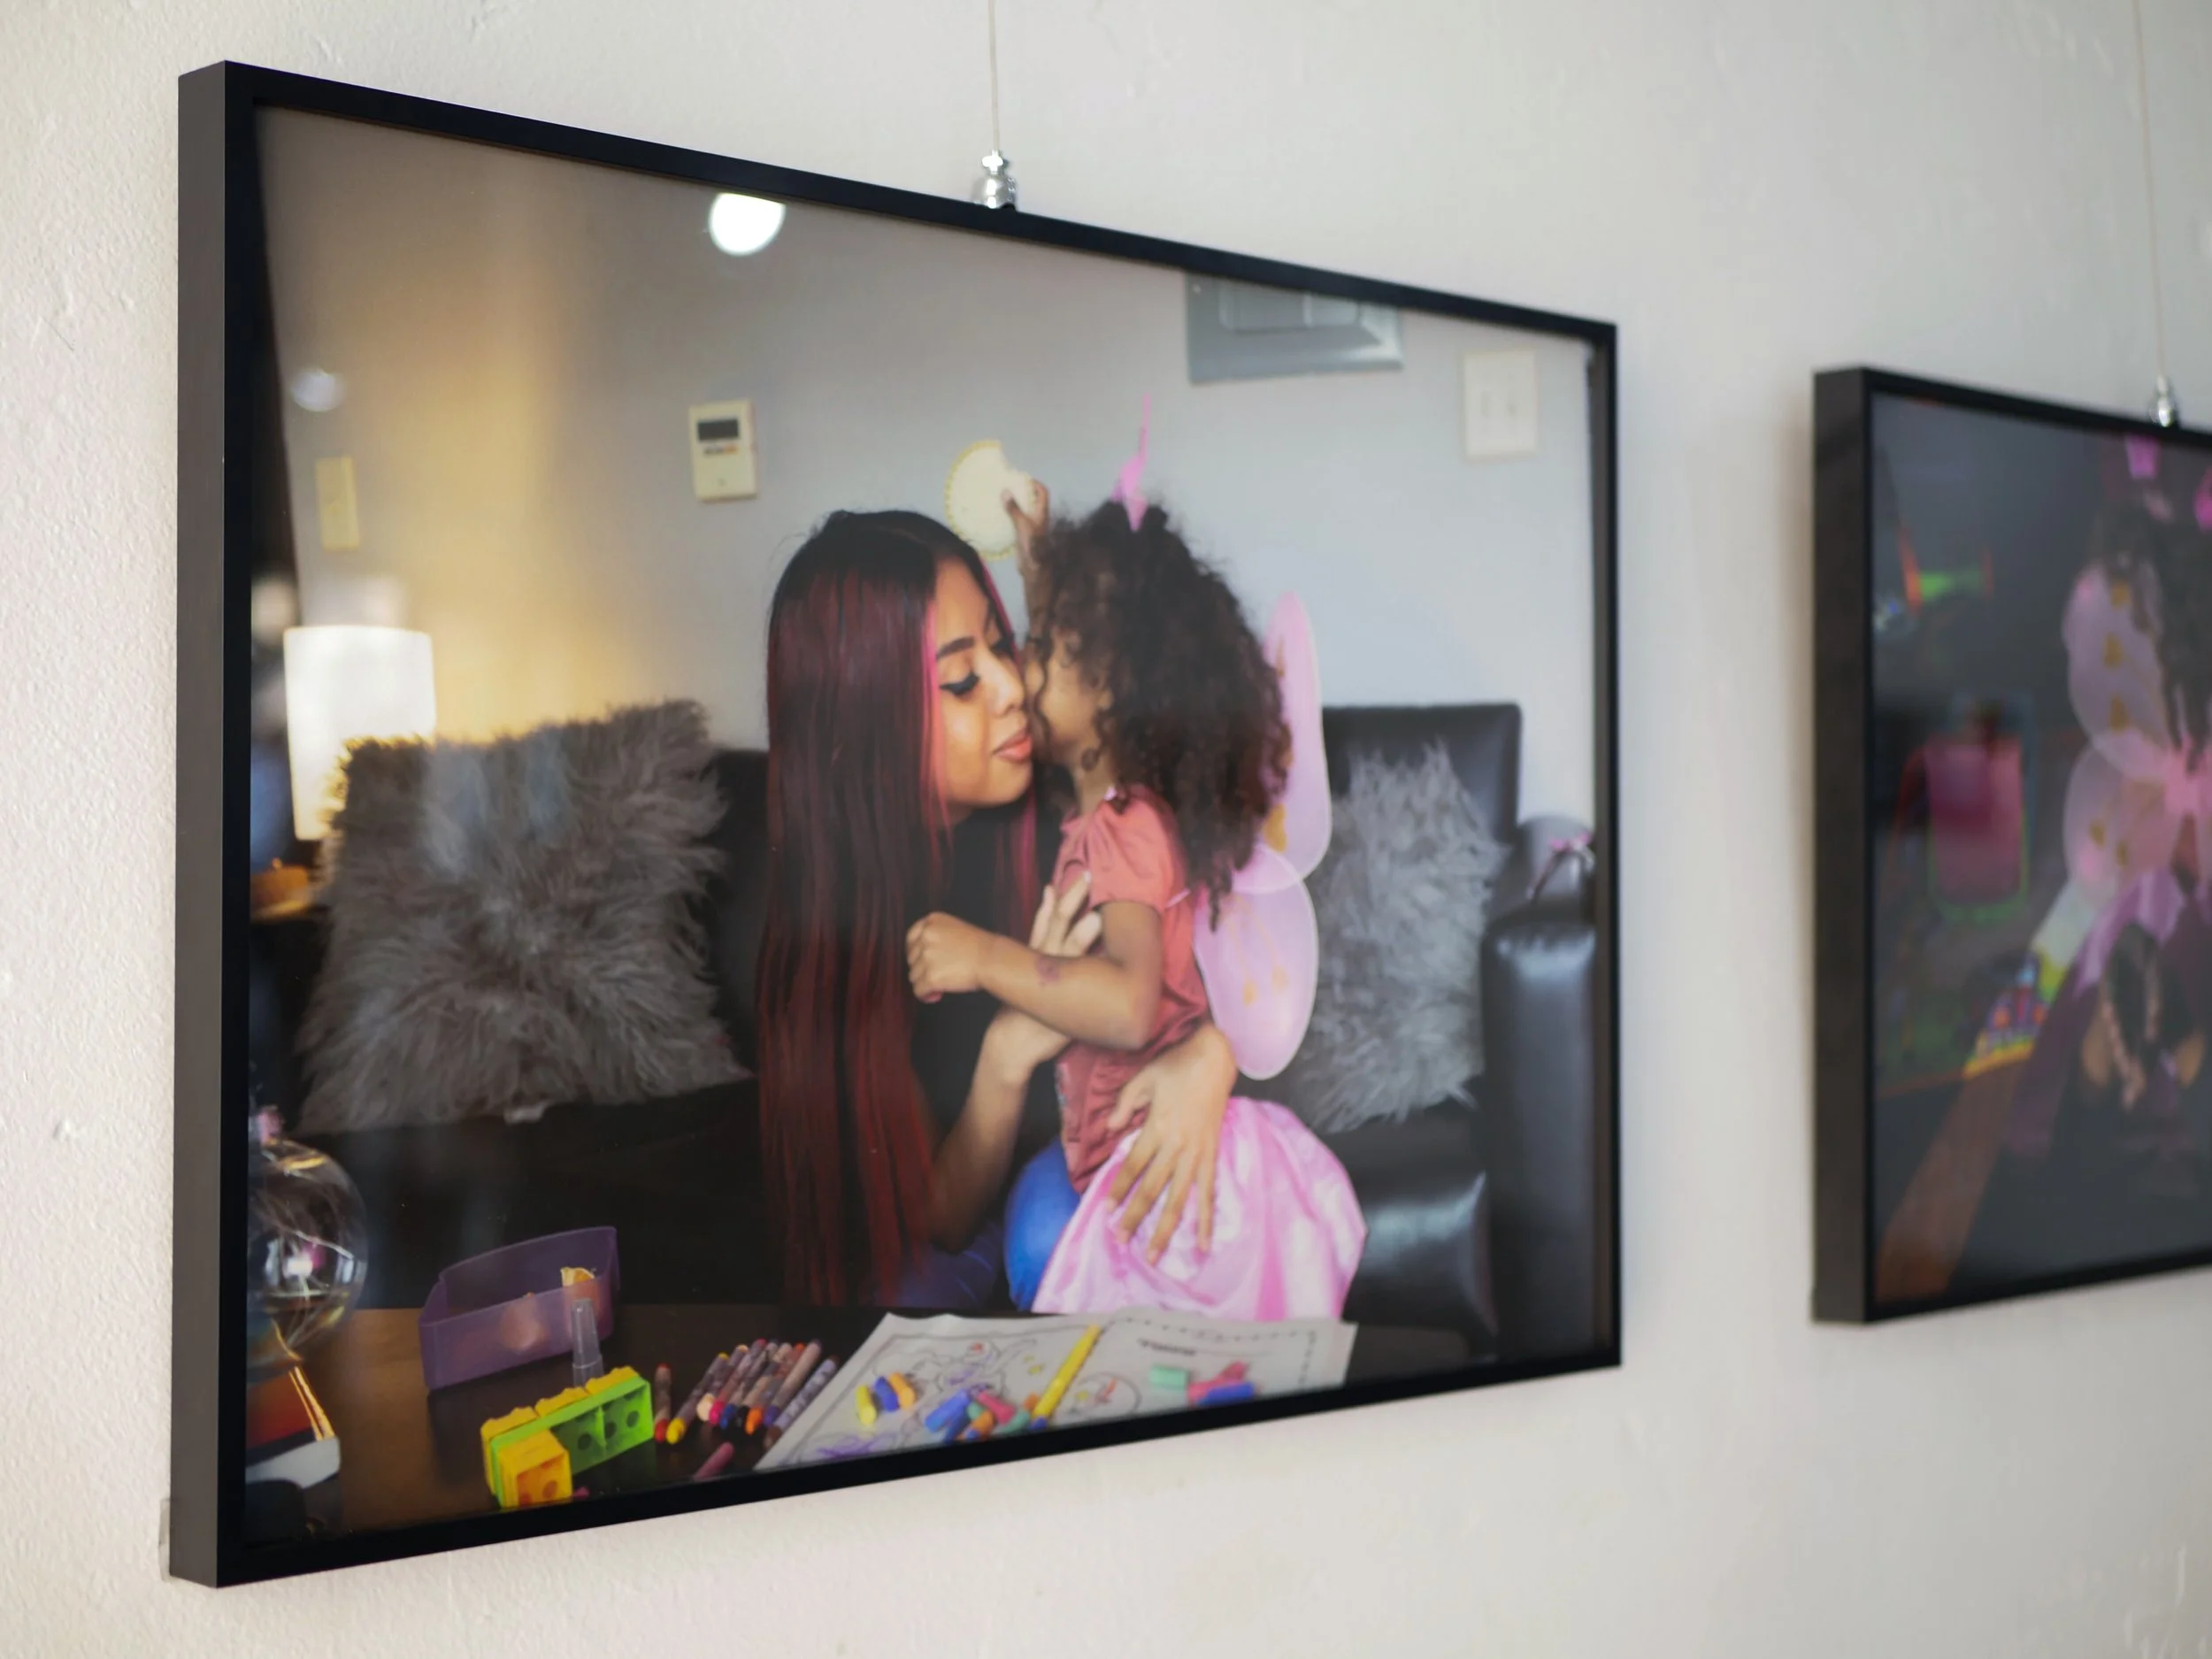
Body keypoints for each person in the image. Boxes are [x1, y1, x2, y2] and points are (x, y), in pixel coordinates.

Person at [755, 509, 1237, 1308]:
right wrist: (1012, 1048)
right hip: (970, 1234)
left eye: (1004, 647)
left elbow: (1225, 946)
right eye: (961, 680)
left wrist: (1208, 1055)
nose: (1014, 689)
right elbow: (938, 1218)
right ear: (866, 716)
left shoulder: (1080, 809)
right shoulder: (835, 930)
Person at [905, 497, 1365, 1318]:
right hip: (1118, 1152)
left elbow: (1126, 1002)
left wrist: (981, 956)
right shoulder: (1128, 814)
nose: (1019, 675)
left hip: (1147, 1154)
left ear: (1112, 691)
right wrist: (1038, 557)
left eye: (1039, 648)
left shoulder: (1120, 830)